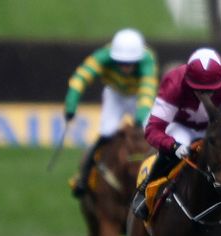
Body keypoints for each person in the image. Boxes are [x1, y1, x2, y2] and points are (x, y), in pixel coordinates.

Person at [131, 48, 221, 219]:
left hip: (216, 128)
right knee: (171, 152)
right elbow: (152, 130)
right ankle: (145, 191)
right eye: (199, 90)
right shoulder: (173, 83)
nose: (205, 96)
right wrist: (172, 146)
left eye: (210, 91)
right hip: (182, 127)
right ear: (187, 80)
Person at [66, 28, 158, 197]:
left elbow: (147, 90)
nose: (125, 67)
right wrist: (71, 105)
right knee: (106, 132)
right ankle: (82, 177)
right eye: (121, 62)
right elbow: (80, 77)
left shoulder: (147, 59)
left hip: (138, 95)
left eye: (130, 63)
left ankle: (161, 178)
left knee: (151, 135)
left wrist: (139, 118)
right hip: (115, 95)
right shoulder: (102, 56)